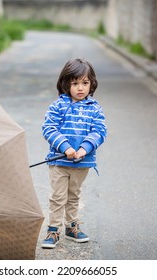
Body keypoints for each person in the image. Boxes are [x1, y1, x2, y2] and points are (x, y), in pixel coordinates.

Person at [41, 58, 107, 249]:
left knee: (73, 195)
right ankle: (53, 230)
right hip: (59, 162)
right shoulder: (58, 106)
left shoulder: (94, 108)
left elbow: (99, 131)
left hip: (82, 162)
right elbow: (49, 128)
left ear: (91, 84)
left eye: (85, 83)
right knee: (58, 197)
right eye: (75, 83)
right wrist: (66, 148)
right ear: (65, 84)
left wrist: (84, 148)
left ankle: (71, 227)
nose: (80, 88)